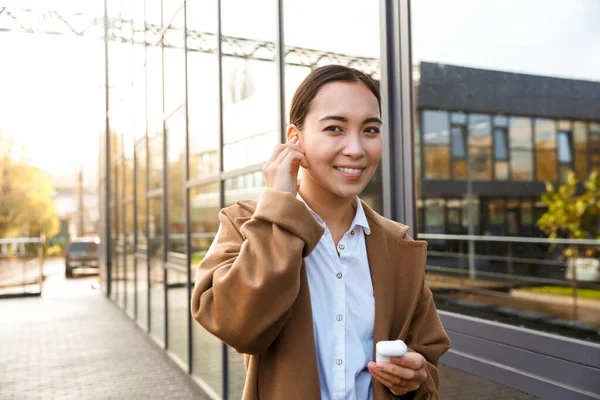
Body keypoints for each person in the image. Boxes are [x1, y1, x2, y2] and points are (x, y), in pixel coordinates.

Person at [191, 65, 450, 400]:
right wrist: (280, 207)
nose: (356, 149)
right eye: (334, 128)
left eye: (370, 130)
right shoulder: (246, 224)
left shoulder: (398, 246)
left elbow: (427, 360)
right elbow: (236, 326)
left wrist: (415, 375)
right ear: (295, 140)